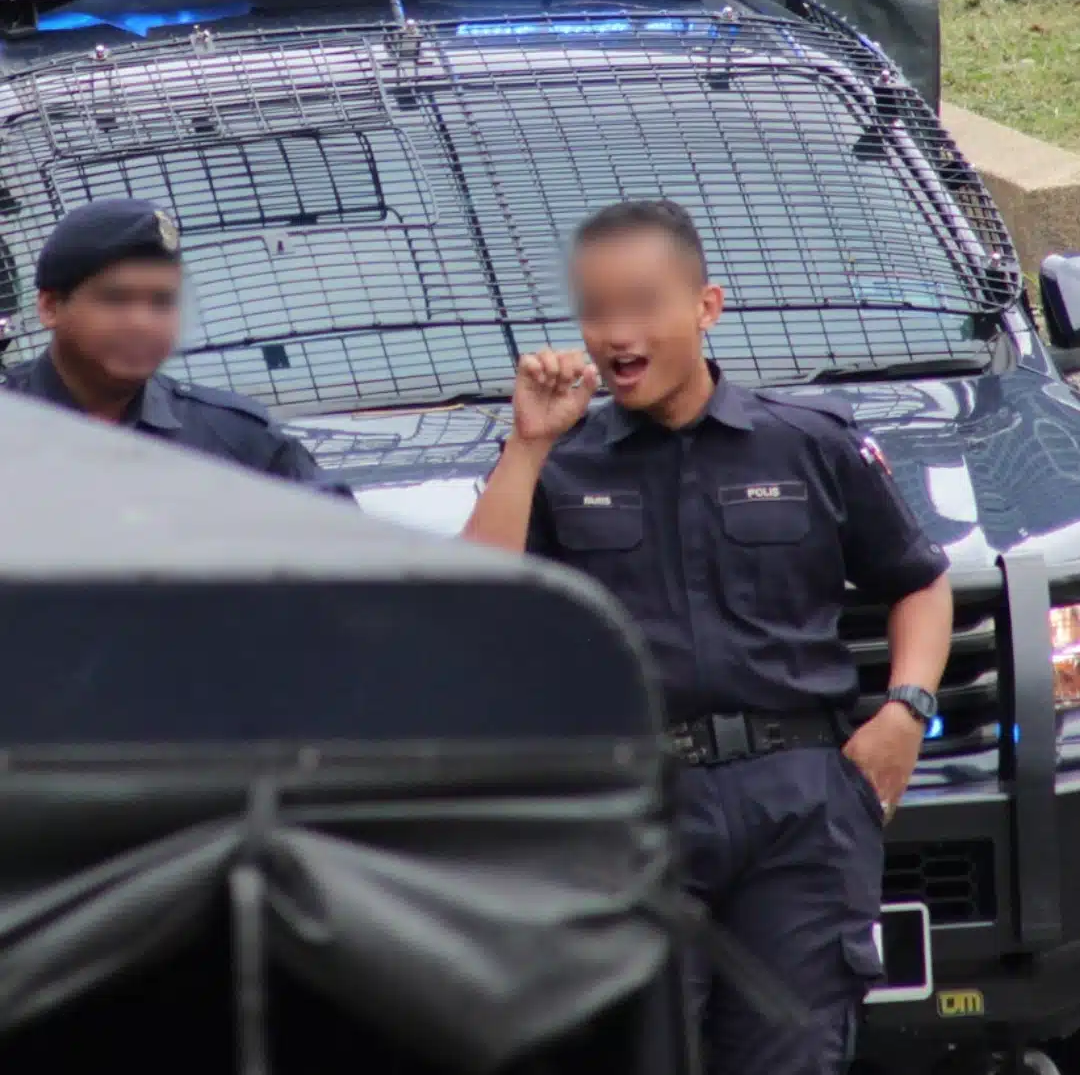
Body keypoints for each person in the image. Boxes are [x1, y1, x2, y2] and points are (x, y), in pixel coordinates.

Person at [462, 200, 953, 1074]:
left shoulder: (809, 444)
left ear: (706, 306)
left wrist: (906, 710)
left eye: (644, 307)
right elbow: (474, 604)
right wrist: (528, 447)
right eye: (598, 314)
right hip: (636, 813)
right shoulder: (557, 463)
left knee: (795, 1056)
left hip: (799, 806)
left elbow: (917, 582)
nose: (618, 336)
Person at [0, 198, 351, 498]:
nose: (142, 323)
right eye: (115, 300)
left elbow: (350, 553)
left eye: (162, 302)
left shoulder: (236, 439)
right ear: (50, 307)